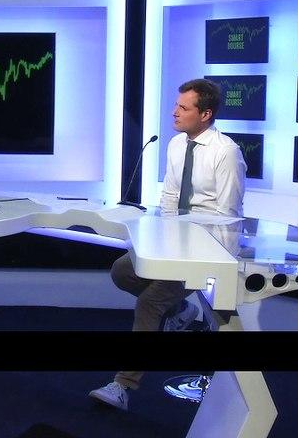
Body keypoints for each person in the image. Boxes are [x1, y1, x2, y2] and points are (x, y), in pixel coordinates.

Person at [89, 78, 246, 410]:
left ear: (205, 114)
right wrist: (163, 239)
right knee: (122, 270)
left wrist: (208, 264)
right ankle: (182, 310)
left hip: (207, 249)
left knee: (149, 303)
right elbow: (171, 197)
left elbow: (228, 216)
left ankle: (123, 385)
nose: (175, 112)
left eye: (183, 108)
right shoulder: (176, 144)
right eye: (176, 105)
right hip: (176, 241)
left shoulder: (226, 152)